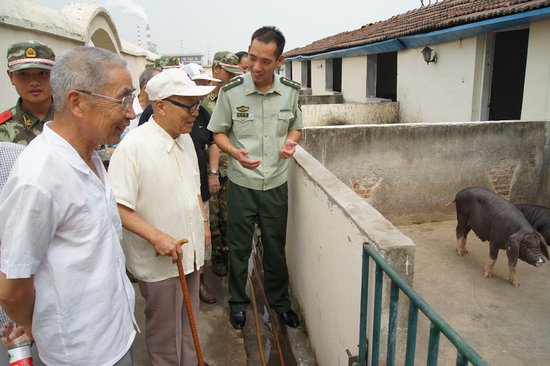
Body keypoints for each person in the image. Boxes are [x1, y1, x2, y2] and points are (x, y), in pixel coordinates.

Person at [0, 46, 137, 365]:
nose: (131, 113)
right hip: (81, 353)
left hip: (115, 332)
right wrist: (42, 330)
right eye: (123, 99)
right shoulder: (39, 177)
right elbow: (12, 288)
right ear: (77, 102)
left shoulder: (90, 154)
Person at [108, 67, 215, 365]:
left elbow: (193, 188)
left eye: (197, 106)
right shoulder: (133, 147)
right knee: (165, 336)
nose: (195, 113)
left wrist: (203, 224)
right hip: (160, 262)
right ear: (161, 105)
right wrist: (156, 236)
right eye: (188, 106)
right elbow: (117, 206)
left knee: (189, 326)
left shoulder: (185, 141)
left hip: (189, 254)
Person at [208, 26, 303, 330]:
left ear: (280, 61)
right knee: (239, 247)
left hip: (275, 184)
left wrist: (291, 141)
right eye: (252, 57)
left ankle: (279, 302)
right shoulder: (231, 91)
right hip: (241, 184)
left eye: (265, 61)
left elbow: (296, 126)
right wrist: (234, 152)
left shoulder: (290, 91)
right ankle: (238, 303)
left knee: (275, 247)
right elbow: (218, 132)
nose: (256, 67)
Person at [181, 62, 221, 304]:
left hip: (199, 188)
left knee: (202, 236)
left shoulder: (202, 113)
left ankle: (199, 282)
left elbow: (213, 142)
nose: (202, 91)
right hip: (170, 191)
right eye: (198, 85)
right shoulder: (156, 111)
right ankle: (179, 283)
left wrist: (213, 172)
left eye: (204, 85)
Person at [202, 51, 243, 277]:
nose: (233, 77)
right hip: (212, 169)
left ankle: (231, 256)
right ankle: (218, 256)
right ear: (216, 69)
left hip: (234, 168)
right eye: (229, 72)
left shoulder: (238, 98)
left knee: (231, 217)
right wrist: (212, 172)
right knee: (214, 217)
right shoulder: (204, 101)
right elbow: (207, 140)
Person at [0, 40, 55, 145]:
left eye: (43, 73)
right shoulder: (3, 129)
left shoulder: (75, 119)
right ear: (11, 77)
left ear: (55, 75)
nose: (34, 82)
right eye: (23, 74)